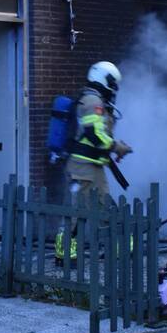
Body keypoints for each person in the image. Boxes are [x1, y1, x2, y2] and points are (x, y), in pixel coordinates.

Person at [56, 61, 132, 261]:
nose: (114, 88)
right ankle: (64, 253)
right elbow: (94, 134)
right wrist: (116, 146)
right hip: (82, 168)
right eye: (112, 83)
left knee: (103, 207)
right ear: (104, 79)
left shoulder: (94, 100)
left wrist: (114, 147)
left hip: (92, 166)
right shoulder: (92, 101)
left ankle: (115, 249)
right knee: (77, 211)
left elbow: (98, 134)